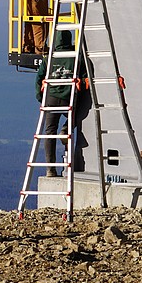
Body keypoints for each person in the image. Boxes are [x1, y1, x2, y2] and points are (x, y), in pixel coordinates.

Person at [34, 32, 91, 176]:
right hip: (69, 98)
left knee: (49, 132)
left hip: (51, 99)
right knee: (81, 110)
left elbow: (39, 78)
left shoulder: (49, 59)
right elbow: (84, 77)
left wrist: (41, 98)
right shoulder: (76, 57)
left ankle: (50, 169)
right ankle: (66, 128)